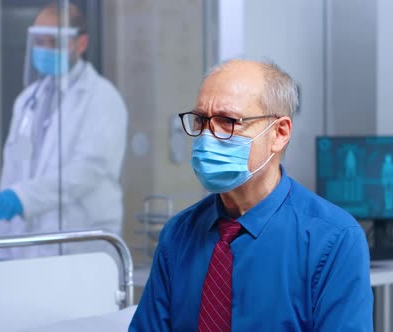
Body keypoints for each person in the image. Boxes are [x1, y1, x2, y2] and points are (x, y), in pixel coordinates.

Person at [129, 59, 373, 331]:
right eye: (201, 120)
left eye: (228, 121)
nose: (208, 137)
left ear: (279, 134)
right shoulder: (178, 234)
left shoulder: (333, 239)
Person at [0, 2, 128, 259]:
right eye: (39, 41)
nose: (44, 50)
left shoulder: (101, 98)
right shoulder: (28, 100)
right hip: (26, 247)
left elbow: (86, 172)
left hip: (80, 247)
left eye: (53, 42)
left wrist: (24, 198)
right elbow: (15, 168)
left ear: (81, 43)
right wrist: (2, 248)